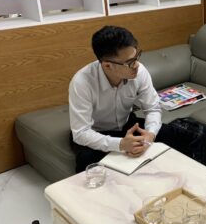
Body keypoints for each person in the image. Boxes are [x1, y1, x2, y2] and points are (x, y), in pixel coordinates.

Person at [69, 25, 169, 173]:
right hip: (96, 132)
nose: (136, 65)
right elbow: (81, 133)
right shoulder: (82, 82)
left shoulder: (139, 71)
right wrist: (121, 144)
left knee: (181, 134)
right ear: (107, 66)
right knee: (87, 162)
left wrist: (150, 135)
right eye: (129, 62)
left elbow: (153, 108)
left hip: (127, 125)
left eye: (136, 57)